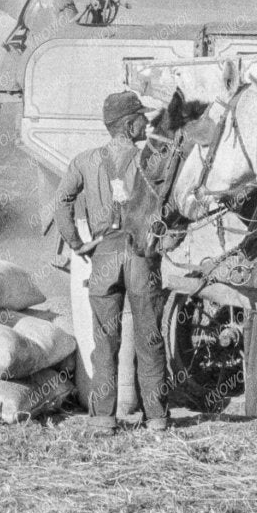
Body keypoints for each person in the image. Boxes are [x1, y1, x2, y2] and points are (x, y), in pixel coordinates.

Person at [50, 89, 175, 433]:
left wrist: (77, 244)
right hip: (141, 255)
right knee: (149, 337)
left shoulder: (84, 161)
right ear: (130, 124)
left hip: (103, 255)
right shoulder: (152, 159)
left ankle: (104, 419)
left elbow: (61, 201)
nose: (147, 124)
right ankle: (157, 419)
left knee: (105, 341)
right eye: (142, 119)